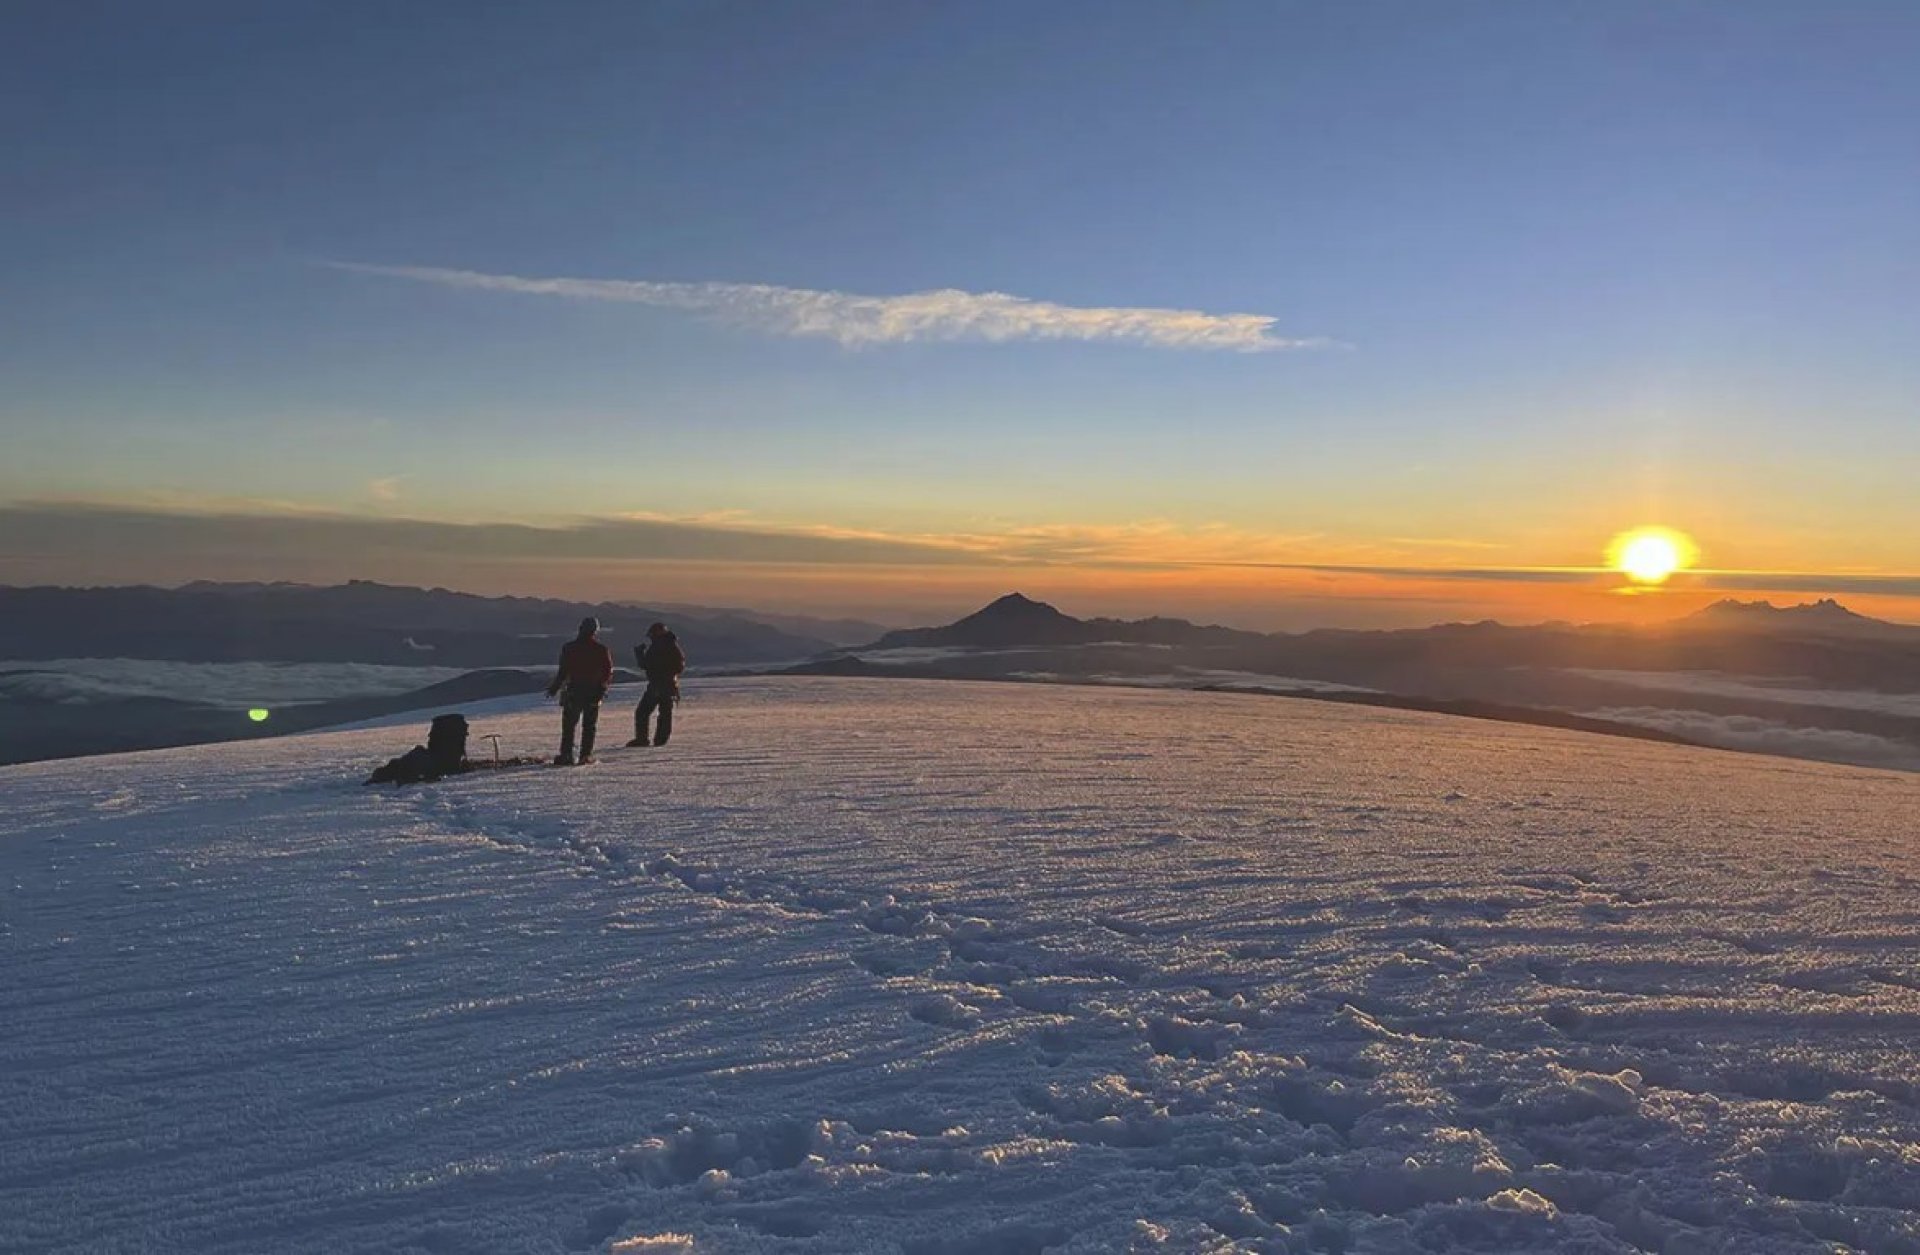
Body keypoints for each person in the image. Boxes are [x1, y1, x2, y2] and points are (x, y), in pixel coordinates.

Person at [546, 617, 613, 764]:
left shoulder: (569, 648)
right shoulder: (601, 650)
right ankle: (585, 755)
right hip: (593, 692)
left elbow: (563, 672)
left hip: (574, 691)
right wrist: (602, 687)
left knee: (569, 726)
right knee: (589, 726)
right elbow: (607, 672)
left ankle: (566, 755)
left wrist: (554, 688)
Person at [628, 621, 686, 747]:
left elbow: (646, 665)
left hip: (659, 685)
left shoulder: (661, 647)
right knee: (664, 712)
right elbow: (679, 666)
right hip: (667, 685)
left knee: (644, 711)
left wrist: (640, 655)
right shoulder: (670, 646)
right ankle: (659, 740)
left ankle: (645, 739)